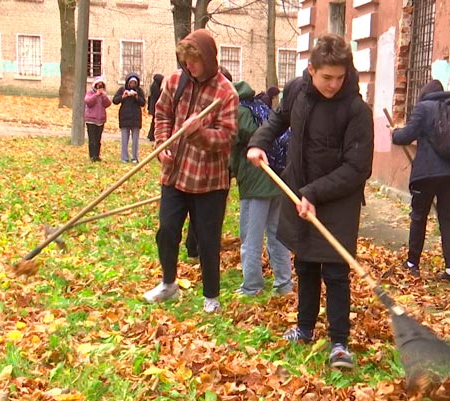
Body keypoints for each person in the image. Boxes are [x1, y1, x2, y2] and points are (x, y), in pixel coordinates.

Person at [247, 33, 373, 370]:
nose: (333, 84)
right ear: (310, 69)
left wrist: (313, 194)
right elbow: (278, 119)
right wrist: (258, 142)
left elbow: (358, 168)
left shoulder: (356, 110)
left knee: (334, 270)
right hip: (299, 189)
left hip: (336, 199)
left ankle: (339, 343)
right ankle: (304, 328)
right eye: (326, 77)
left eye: (339, 77)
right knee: (304, 263)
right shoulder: (297, 92)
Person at [145, 29, 238, 313]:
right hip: (175, 174)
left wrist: (199, 133)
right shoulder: (176, 80)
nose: (189, 66)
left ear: (208, 59)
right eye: (186, 60)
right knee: (167, 231)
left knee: (207, 240)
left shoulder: (226, 93)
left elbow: (228, 138)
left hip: (209, 180)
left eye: (194, 61)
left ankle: (211, 296)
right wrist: (162, 143)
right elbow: (162, 114)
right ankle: (168, 283)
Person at [392, 80, 450, 284]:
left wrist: (394, 133)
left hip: (427, 174)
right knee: (446, 219)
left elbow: (406, 135)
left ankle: (412, 264)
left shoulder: (423, 108)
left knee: (419, 217)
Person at [230, 79, 293, 297]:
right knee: (277, 234)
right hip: (276, 177)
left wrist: (229, 172)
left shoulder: (239, 112)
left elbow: (233, 144)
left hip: (256, 181)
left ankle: (251, 286)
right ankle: (284, 284)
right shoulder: (260, 107)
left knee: (250, 236)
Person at [112, 73, 146, 163]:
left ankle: (135, 157)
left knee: (135, 140)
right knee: (124, 139)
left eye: (134, 83)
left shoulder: (139, 91)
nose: (132, 84)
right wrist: (123, 96)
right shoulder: (122, 90)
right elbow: (115, 100)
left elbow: (143, 103)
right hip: (124, 117)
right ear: (128, 82)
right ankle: (124, 157)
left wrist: (136, 97)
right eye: (131, 82)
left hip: (135, 118)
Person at [83, 76, 111, 161]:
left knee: (98, 139)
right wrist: (96, 95)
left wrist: (103, 96)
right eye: (98, 85)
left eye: (101, 86)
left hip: (100, 120)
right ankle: (92, 156)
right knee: (92, 139)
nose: (100, 87)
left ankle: (97, 155)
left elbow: (108, 104)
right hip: (91, 120)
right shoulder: (90, 93)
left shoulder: (103, 95)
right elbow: (88, 102)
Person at [146, 73, 163, 142]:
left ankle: (151, 135)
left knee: (153, 122)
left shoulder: (153, 85)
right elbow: (158, 95)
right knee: (154, 122)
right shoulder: (155, 86)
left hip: (153, 107)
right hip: (155, 107)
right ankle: (152, 135)